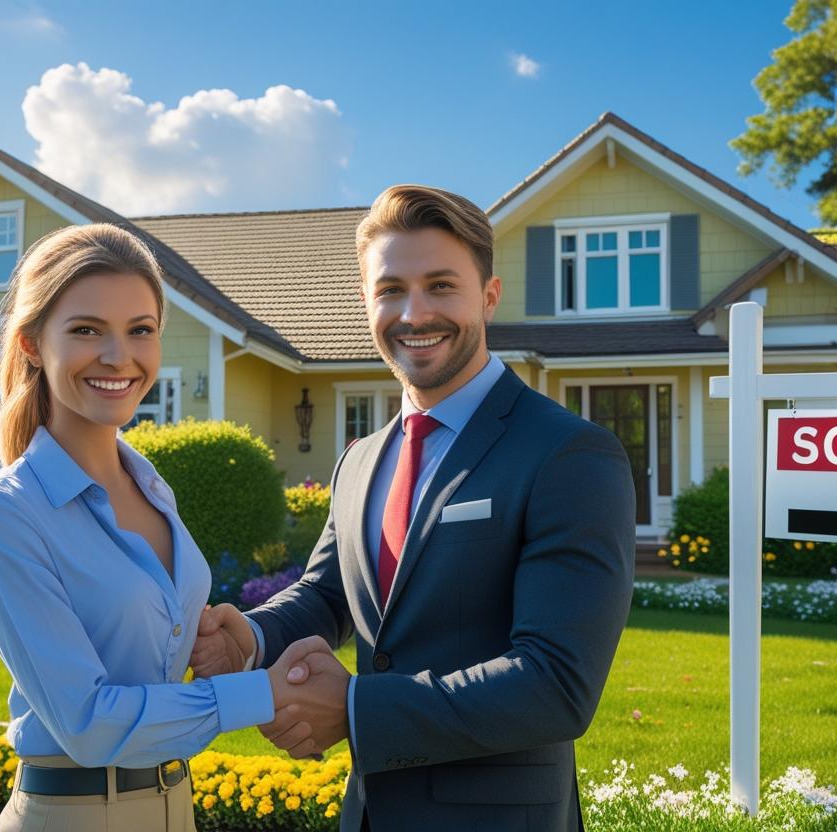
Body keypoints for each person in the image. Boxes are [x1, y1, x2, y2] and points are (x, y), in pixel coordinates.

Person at [190, 186, 636, 831]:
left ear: (488, 295)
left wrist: (355, 710)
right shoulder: (361, 459)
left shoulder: (568, 454)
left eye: (441, 285)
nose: (414, 312)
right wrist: (253, 635)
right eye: (390, 289)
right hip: (370, 812)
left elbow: (556, 683)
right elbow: (330, 594)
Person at [0, 223, 329, 832]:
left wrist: (215, 647)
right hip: (73, 815)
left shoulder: (151, 485)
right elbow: (91, 725)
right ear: (29, 343)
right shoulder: (1, 516)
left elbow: (149, 651)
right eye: (85, 330)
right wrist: (263, 693)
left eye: (140, 330)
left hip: (174, 805)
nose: (117, 356)